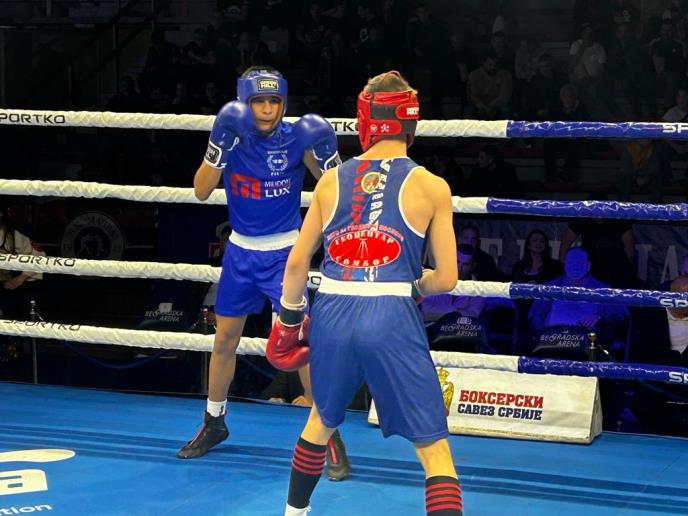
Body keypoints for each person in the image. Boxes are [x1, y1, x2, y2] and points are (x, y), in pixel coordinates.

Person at [268, 71, 462, 515]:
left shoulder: (330, 181)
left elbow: (296, 264)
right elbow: (446, 278)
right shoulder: (432, 186)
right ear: (410, 123)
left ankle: (294, 513)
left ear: (365, 121)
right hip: (391, 312)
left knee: (320, 420)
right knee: (433, 449)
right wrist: (414, 286)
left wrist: (289, 322)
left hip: (333, 309)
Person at [177, 66, 350, 481]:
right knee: (224, 339)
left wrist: (331, 160)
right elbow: (201, 190)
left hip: (285, 255)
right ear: (245, 103)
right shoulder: (233, 135)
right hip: (240, 251)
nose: (268, 109)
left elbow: (335, 189)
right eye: (259, 102)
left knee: (301, 342)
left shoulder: (298, 138)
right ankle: (214, 421)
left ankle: (327, 434)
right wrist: (218, 146)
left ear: (284, 102)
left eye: (274, 101)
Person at [529, 247, 628, 340]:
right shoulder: (550, 287)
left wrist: (599, 317)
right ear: (565, 265)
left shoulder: (603, 290)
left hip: (589, 343)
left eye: (580, 262)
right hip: (552, 341)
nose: (575, 267)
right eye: (571, 262)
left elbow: (619, 317)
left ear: (588, 266)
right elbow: (535, 316)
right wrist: (544, 335)